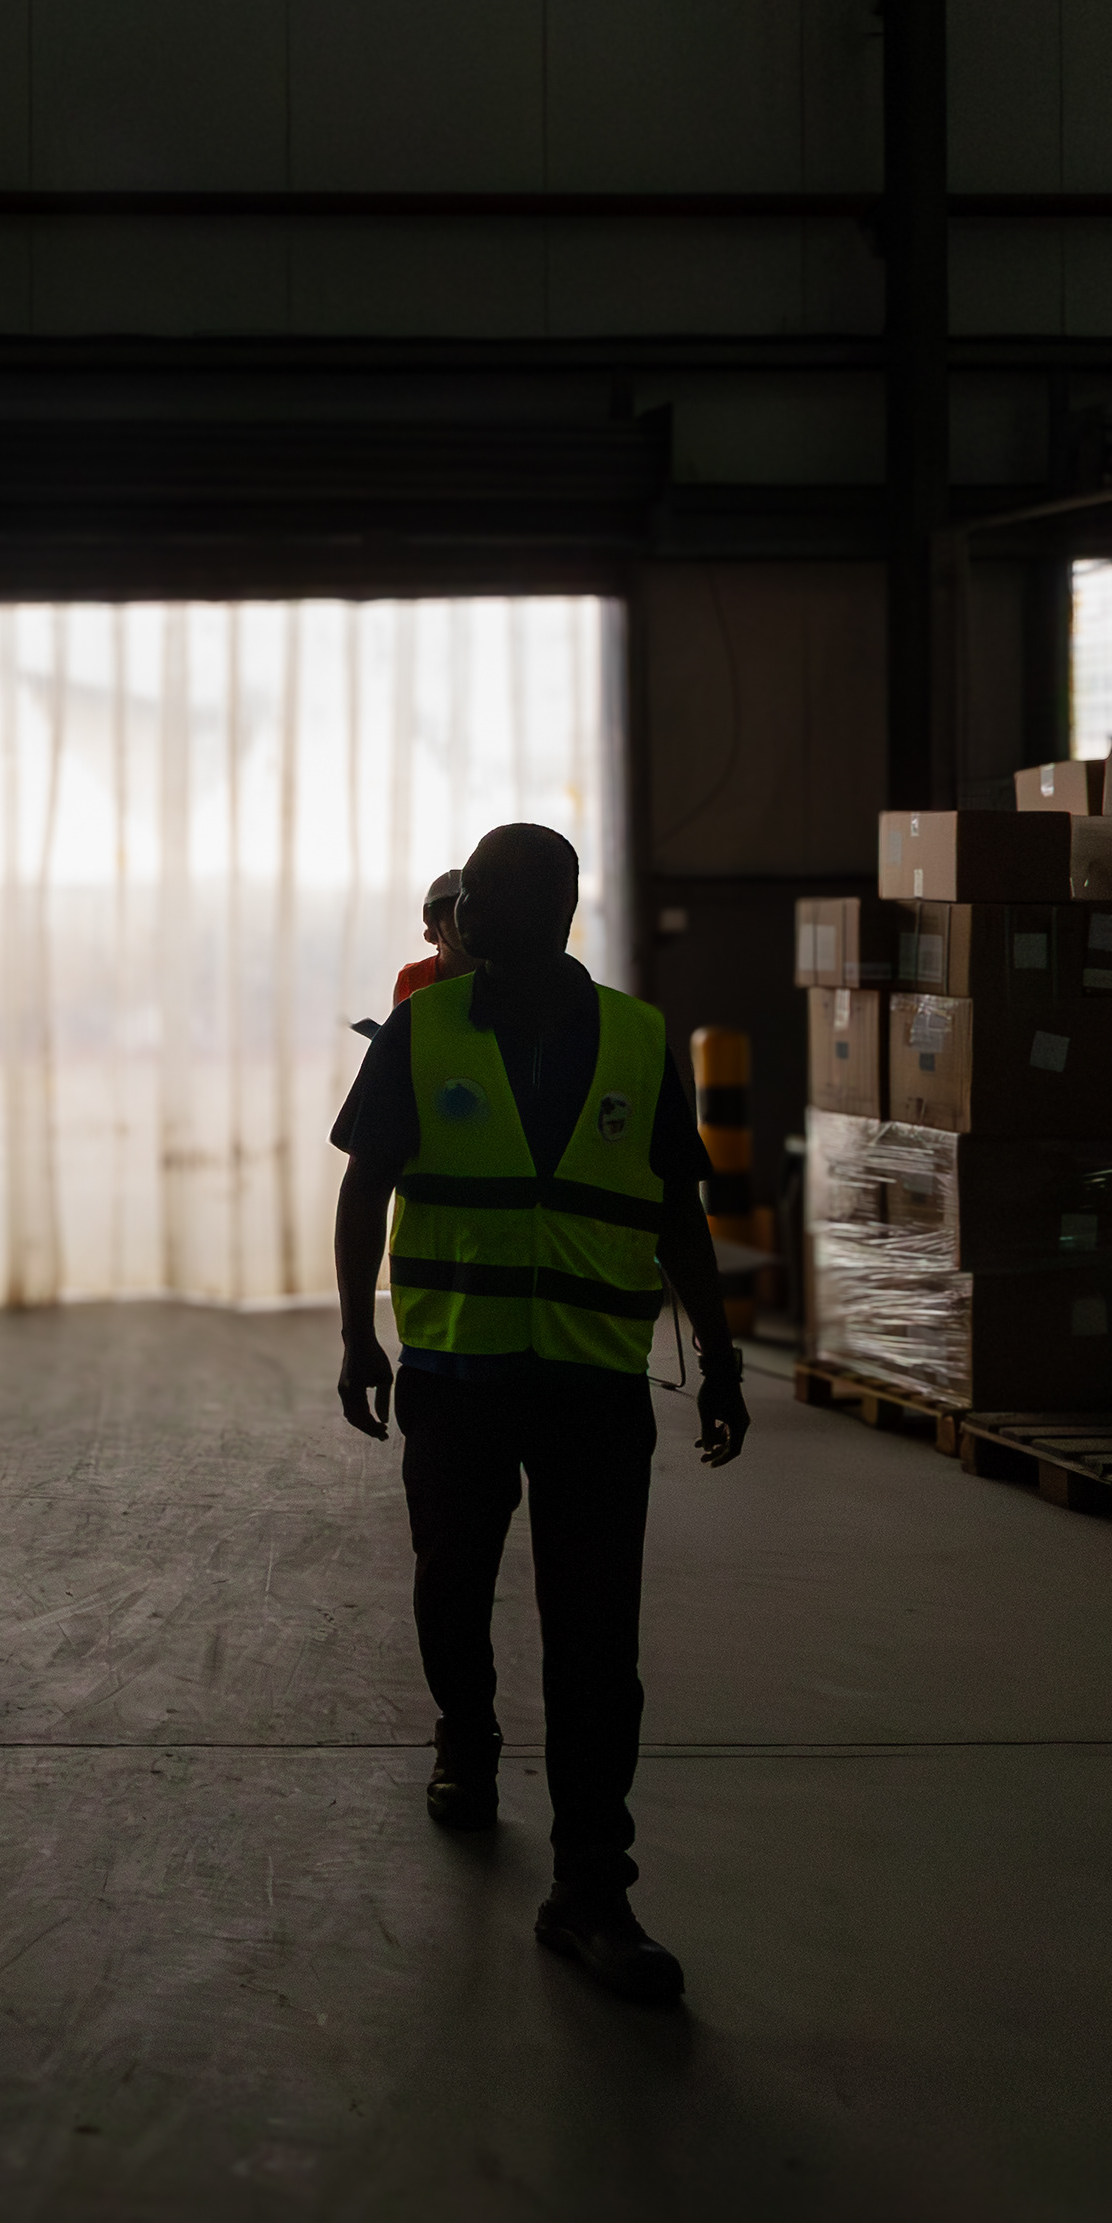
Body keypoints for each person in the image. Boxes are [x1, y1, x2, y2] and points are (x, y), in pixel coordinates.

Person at [329, 821, 747, 2006]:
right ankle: (467, 1730)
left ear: (556, 907)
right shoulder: (425, 1025)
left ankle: (592, 1890)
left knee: (596, 1643)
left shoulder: (635, 1037)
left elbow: (678, 1209)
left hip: (593, 1389)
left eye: (493, 893)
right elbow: (369, 1180)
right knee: (450, 1584)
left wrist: (719, 1354)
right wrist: (359, 1333)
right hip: (457, 1380)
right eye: (463, 892)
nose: (466, 909)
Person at [390, 867, 467, 1008]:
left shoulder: (507, 973)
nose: (467, 922)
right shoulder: (413, 979)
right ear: (432, 922)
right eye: (453, 915)